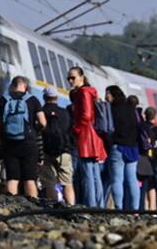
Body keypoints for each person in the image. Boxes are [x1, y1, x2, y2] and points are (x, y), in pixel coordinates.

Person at [0, 76, 43, 198]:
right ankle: (32, 207)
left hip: (9, 143)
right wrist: (36, 131)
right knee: (30, 179)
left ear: (12, 85)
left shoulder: (3, 100)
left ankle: (12, 206)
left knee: (12, 178)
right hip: (29, 144)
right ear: (25, 86)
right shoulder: (32, 100)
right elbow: (43, 122)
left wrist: (0, 142)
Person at [68, 66, 106, 207]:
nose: (70, 80)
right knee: (94, 173)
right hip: (93, 135)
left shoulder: (83, 92)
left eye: (73, 77)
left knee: (87, 173)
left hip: (86, 136)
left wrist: (76, 129)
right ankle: (99, 204)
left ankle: (90, 204)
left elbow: (87, 115)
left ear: (81, 77)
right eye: (69, 78)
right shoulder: (90, 92)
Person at [39, 87, 75, 205]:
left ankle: (54, 206)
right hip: (64, 151)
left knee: (49, 183)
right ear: (57, 98)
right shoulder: (65, 112)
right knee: (67, 183)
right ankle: (71, 207)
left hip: (46, 152)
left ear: (44, 97)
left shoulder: (41, 112)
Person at [107, 85, 140, 210]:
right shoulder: (132, 109)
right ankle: (135, 209)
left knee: (117, 179)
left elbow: (110, 128)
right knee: (132, 180)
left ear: (113, 95)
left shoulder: (112, 109)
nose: (106, 97)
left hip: (118, 147)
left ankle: (118, 207)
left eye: (108, 94)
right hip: (132, 148)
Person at [140, 107, 157, 211]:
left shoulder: (141, 128)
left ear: (145, 115)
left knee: (143, 185)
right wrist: (156, 153)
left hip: (144, 159)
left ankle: (140, 208)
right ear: (154, 116)